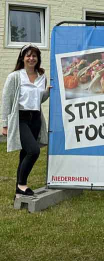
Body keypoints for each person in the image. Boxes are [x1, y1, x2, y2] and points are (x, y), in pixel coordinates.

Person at [1, 43, 50, 197]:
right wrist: (4, 124)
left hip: (35, 119)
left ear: (38, 58)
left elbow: (37, 99)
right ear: (22, 58)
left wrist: (47, 93)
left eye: (34, 55)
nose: (31, 58)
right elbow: (6, 101)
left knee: (25, 153)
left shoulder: (42, 76)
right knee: (33, 151)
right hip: (20, 119)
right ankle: (22, 184)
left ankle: (18, 188)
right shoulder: (15, 77)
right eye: (28, 55)